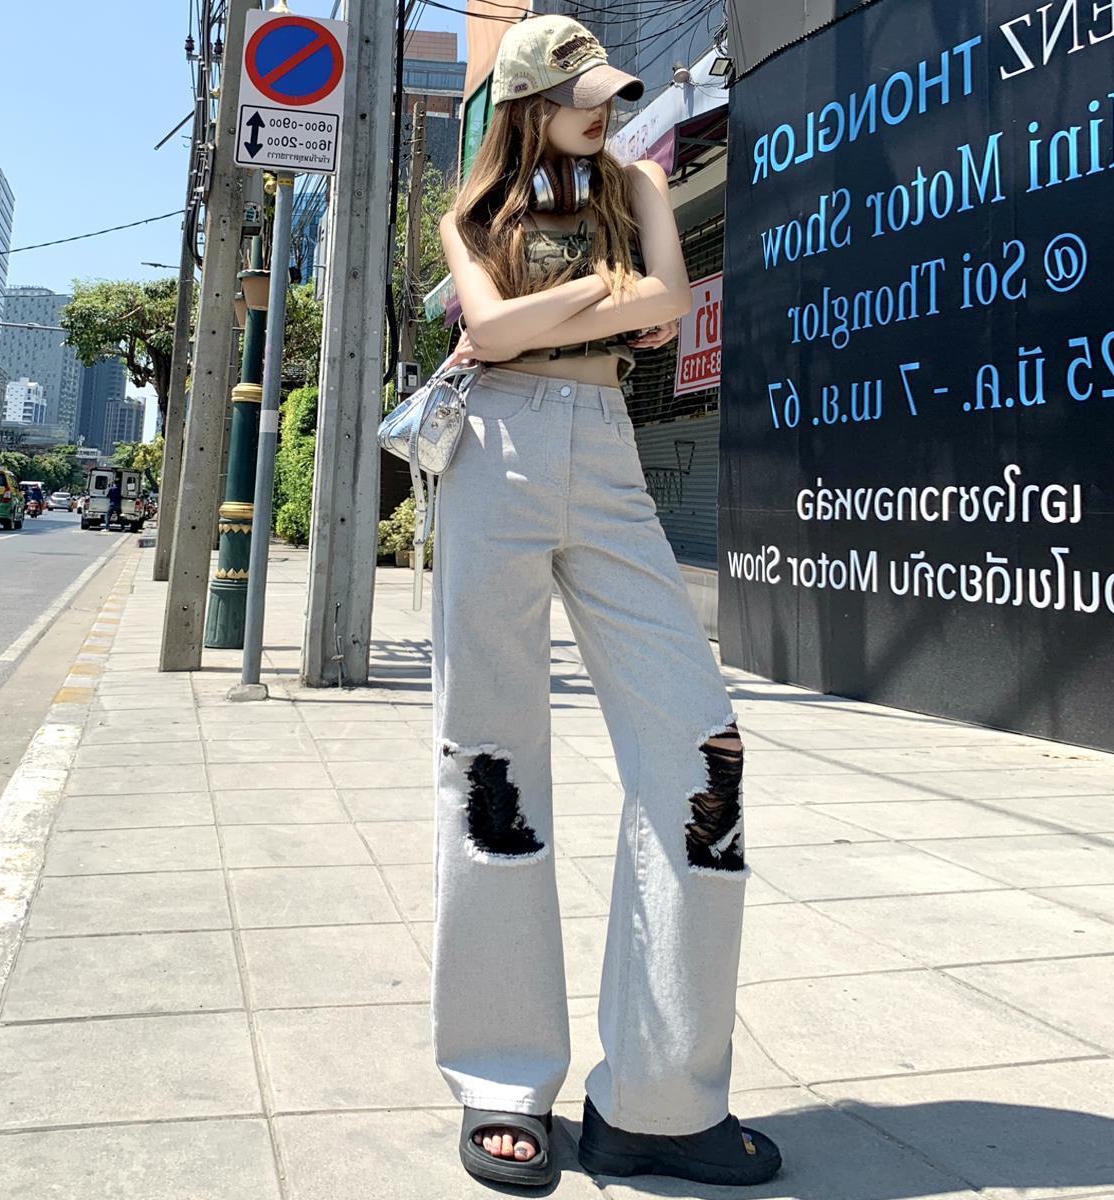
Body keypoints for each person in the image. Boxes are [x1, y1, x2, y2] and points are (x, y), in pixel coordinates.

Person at [429, 15, 782, 1190]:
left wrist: (571, 309)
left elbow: (668, 302)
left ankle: (660, 1101)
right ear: (530, 101)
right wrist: (602, 292)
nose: (604, 113)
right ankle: (501, 1078)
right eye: (582, 97)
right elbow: (487, 329)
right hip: (493, 456)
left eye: (610, 95)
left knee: (703, 749)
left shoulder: (637, 185)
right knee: (491, 760)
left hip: (607, 445)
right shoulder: (472, 214)